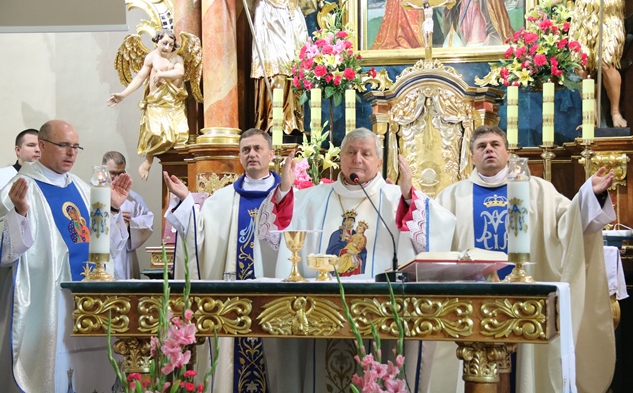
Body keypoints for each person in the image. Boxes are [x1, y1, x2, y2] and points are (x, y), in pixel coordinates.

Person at [401, 125, 616, 392]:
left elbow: (569, 224)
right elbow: (429, 236)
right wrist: (409, 197)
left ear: (507, 153)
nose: (489, 150)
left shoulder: (539, 191)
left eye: (495, 145)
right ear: (472, 157)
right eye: (481, 146)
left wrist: (590, 195)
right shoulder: (452, 196)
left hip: (524, 301)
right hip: (471, 306)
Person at [257, 127, 455, 391]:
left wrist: (409, 197)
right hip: (320, 312)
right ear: (341, 158)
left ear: (379, 162)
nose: (357, 159)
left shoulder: (396, 198)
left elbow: (437, 232)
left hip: (380, 313)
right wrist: (284, 190)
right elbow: (271, 234)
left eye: (366, 153)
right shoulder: (313, 197)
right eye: (351, 152)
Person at [0, 120, 132, 393]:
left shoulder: (83, 188)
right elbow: (6, 252)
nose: (71, 152)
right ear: (42, 145)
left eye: (75, 147)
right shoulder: (20, 187)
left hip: (91, 300)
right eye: (63, 145)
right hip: (47, 299)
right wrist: (20, 213)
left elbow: (108, 248)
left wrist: (113, 210)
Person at [163, 128, 282, 393]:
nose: (252, 154)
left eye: (258, 148)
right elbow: (198, 237)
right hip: (233, 306)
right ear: (240, 156)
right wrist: (185, 201)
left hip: (275, 304)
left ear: (271, 154)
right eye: (246, 150)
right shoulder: (222, 199)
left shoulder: (288, 197)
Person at [231, 0, 317, 134]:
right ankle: (272, 121)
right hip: (270, 28)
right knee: (276, 73)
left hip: (293, 30)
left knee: (293, 74)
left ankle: (292, 122)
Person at [552, 0, 633, 128]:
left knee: (607, 62)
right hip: (583, 16)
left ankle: (615, 113)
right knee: (581, 67)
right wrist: (550, 2)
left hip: (609, 13)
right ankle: (590, 118)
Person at [107, 29, 189, 180]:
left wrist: (162, 74)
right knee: (155, 133)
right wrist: (123, 95)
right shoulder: (151, 57)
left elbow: (180, 73)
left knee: (180, 136)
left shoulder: (177, 59)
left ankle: (179, 169)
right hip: (155, 103)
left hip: (172, 104)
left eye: (171, 44)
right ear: (157, 42)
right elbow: (139, 78)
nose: (167, 47)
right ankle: (148, 161)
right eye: (164, 43)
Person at [102, 151, 154, 279]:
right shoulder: (90, 194)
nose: (117, 178)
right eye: (113, 173)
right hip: (102, 253)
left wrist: (130, 224)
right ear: (103, 171)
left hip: (124, 255)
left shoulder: (133, 199)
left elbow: (148, 222)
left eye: (121, 173)